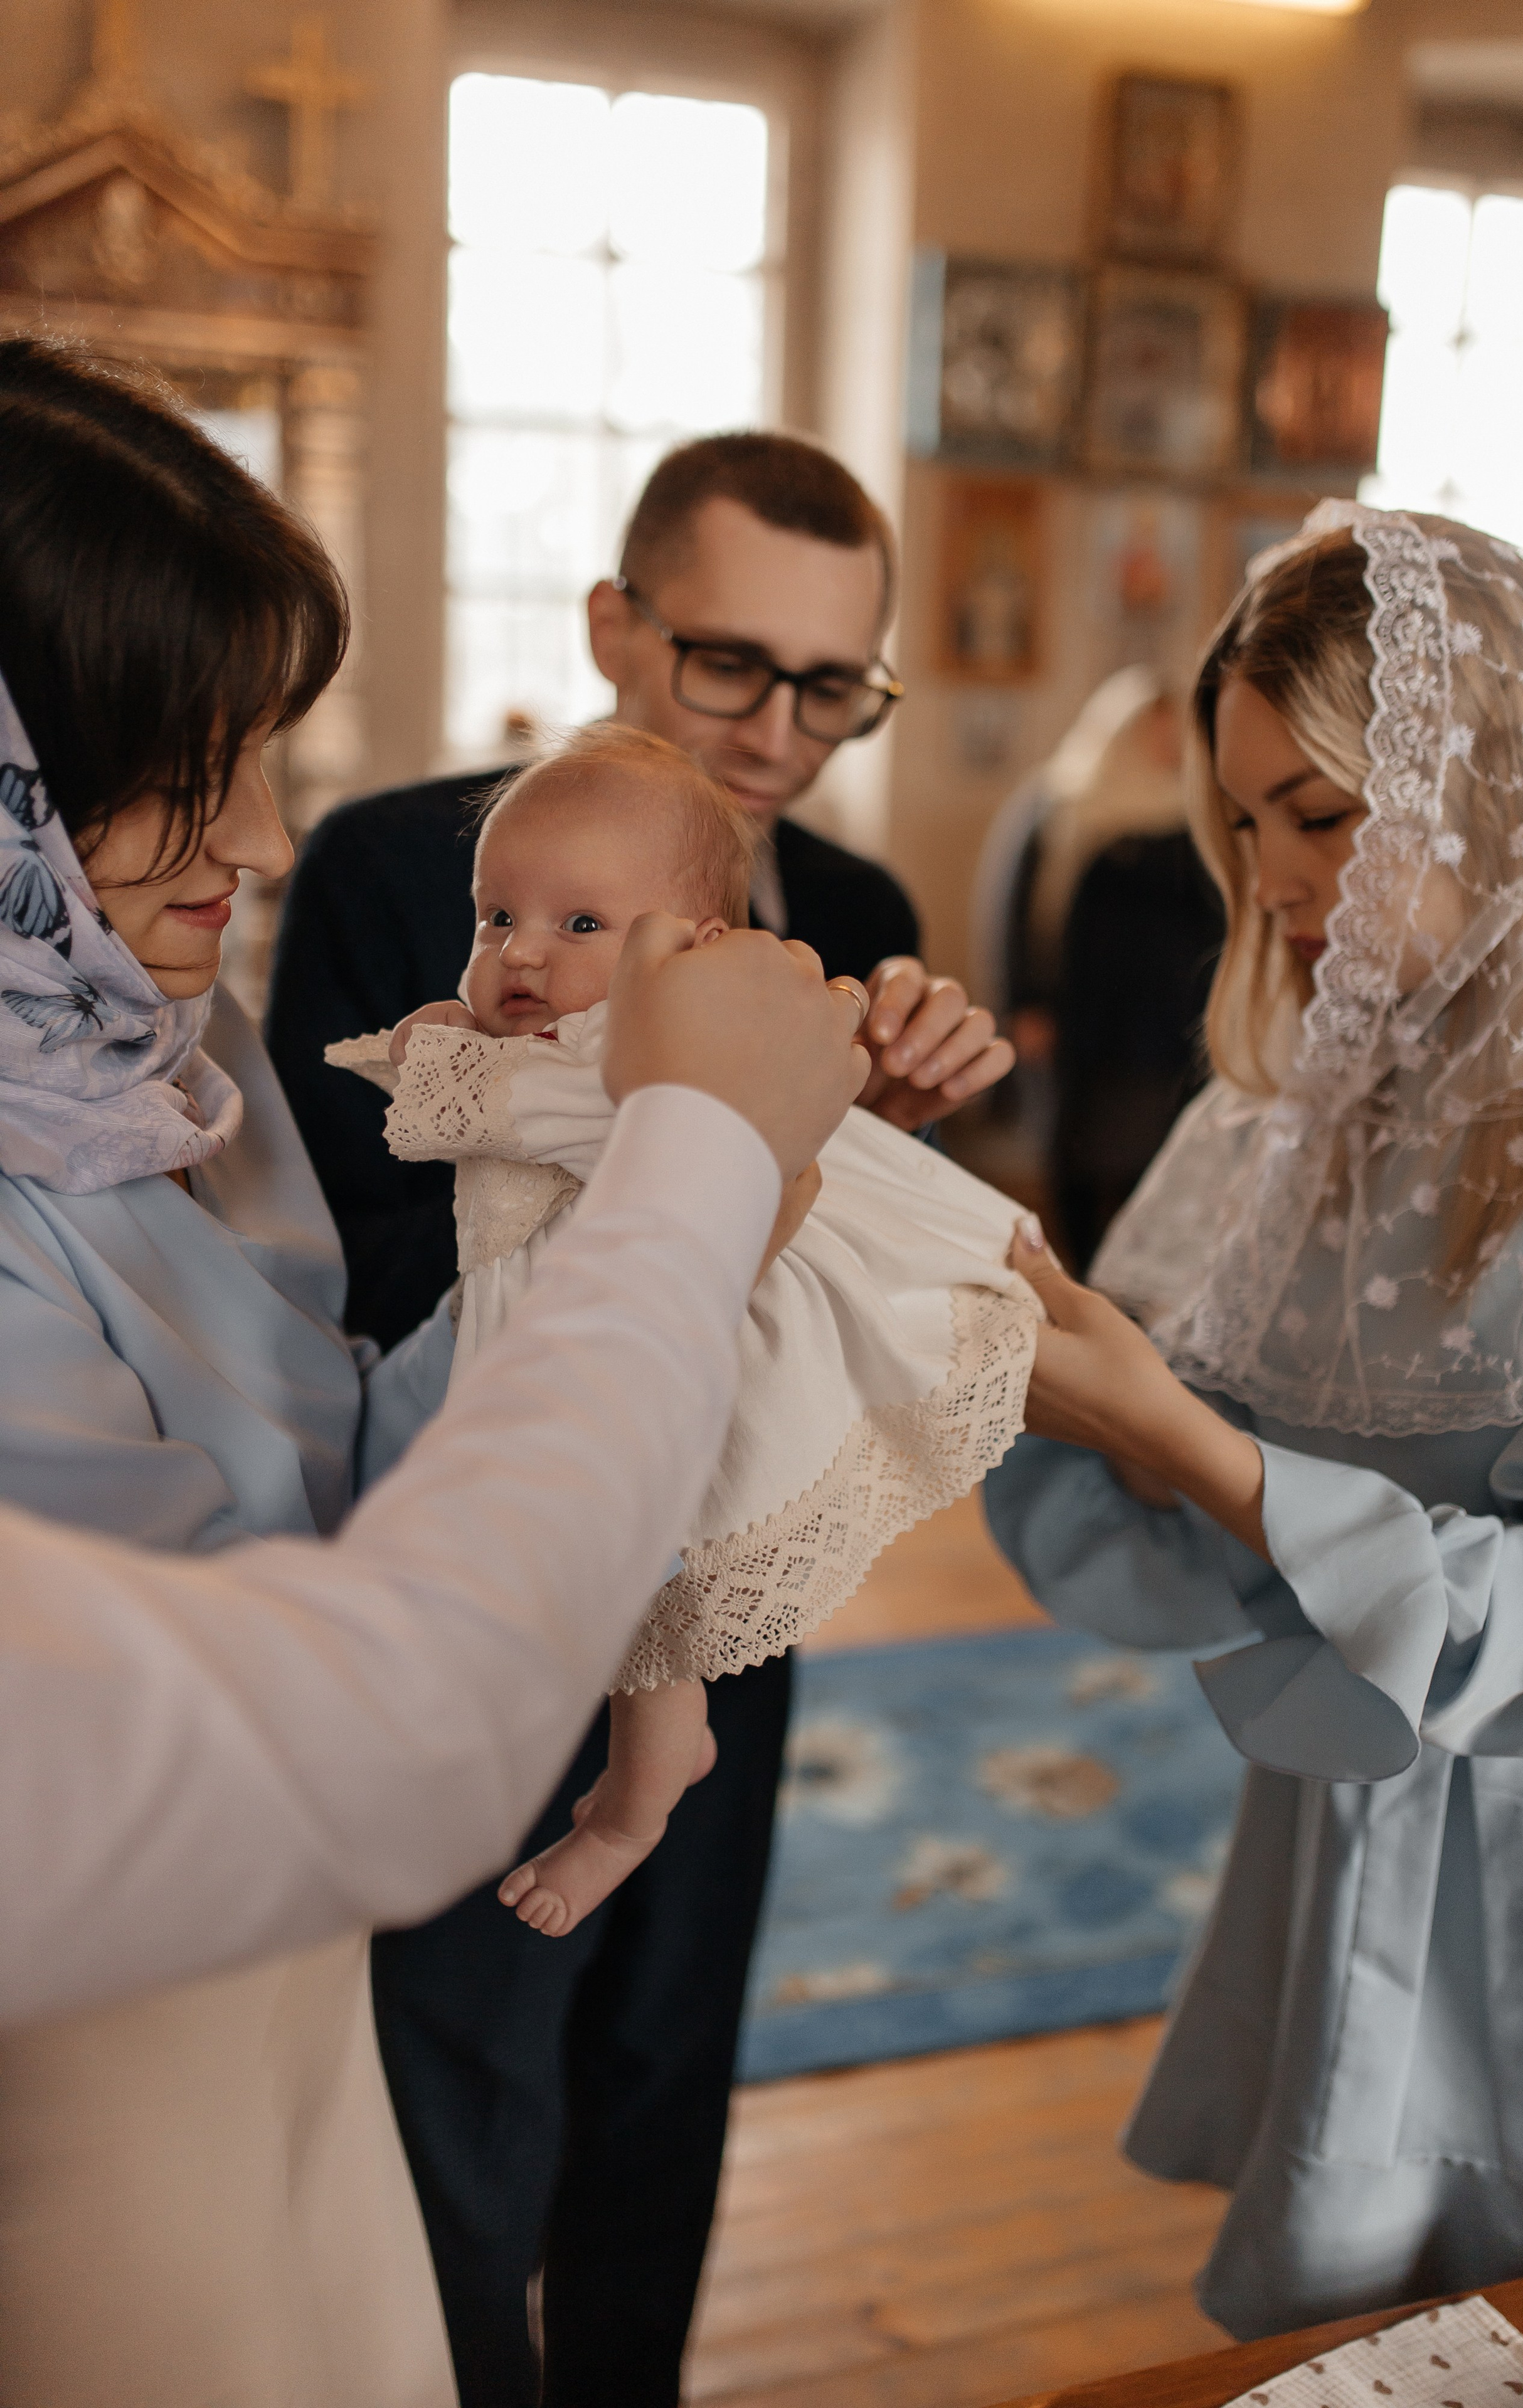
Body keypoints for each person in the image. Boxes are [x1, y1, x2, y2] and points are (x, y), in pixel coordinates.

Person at [265, 430, 1015, 2407]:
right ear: (615, 620)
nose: (779, 728)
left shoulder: (846, 897)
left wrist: (871, 1135)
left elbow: (822, 1250)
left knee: (668, 2056)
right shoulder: (403, 872)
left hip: (709, 1570)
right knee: (467, 2057)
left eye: (831, 685)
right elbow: (360, 1256)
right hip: (479, 1553)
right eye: (727, 666)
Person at [985, 504, 1523, 2338]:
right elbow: (1190, 1514)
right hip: (1350, 1811)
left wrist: (1184, 1440)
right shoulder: (1300, 1102)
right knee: (1357, 2322)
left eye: (1318, 816)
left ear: (1492, 787)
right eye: (1243, 821)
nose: (1266, 875)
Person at [2, 911, 874, 2026]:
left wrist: (573, 1290)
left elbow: (339, 1429)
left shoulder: (172, 1016)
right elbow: (340, 1747)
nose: (263, 841)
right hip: (145, 1989)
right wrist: (694, 1195)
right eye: (176, 773)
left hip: (309, 1974)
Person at [329, 724, 1036, 1938]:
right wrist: (444, 1033)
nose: (523, 955)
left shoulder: (637, 1062)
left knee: (645, 1618)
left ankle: (632, 1806)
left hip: (639, 1366)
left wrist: (427, 1056)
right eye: (498, 918)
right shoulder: (525, 1023)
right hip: (516, 1366)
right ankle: (610, 1782)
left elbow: (494, 1111)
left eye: (582, 927)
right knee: (590, 1615)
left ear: (696, 954)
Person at [970, 666, 1223, 1267]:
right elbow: (1012, 908)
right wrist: (1020, 1001)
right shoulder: (1059, 802)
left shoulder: (1196, 813)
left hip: (1167, 1029)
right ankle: (1079, 1271)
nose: (1168, 747)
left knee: (1155, 1158)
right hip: (1076, 1023)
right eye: (1154, 732)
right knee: (1076, 1155)